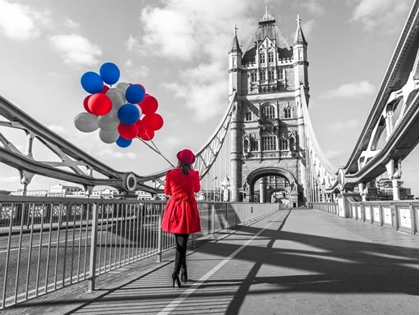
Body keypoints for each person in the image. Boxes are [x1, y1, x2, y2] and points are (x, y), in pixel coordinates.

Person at [161, 148, 201, 288]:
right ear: (191, 162)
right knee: (182, 243)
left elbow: (167, 191)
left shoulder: (171, 174)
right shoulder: (194, 174)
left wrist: (174, 177)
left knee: (180, 243)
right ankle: (176, 272)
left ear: (178, 160)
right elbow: (196, 189)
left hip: (174, 208)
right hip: (187, 209)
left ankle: (183, 271)